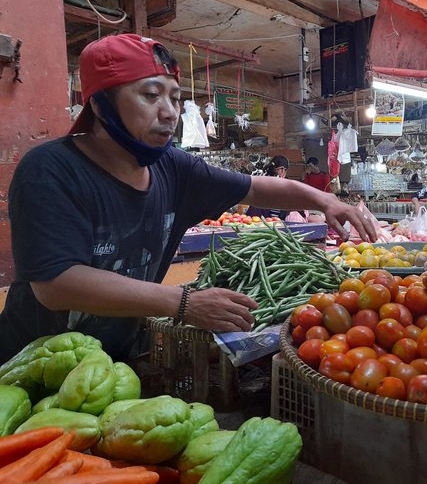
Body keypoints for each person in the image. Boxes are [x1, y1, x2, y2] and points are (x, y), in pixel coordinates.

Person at [0, 33, 376, 363]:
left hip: (113, 364)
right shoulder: (50, 170)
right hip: (31, 364)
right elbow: (54, 286)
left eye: (176, 97)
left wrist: (326, 201)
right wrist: (183, 303)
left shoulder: (173, 167)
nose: (170, 112)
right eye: (150, 95)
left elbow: (256, 187)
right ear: (100, 105)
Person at [245, 155, 291, 219]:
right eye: (285, 170)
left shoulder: (263, 179)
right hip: (270, 222)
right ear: (282, 170)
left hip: (255, 220)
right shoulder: (284, 185)